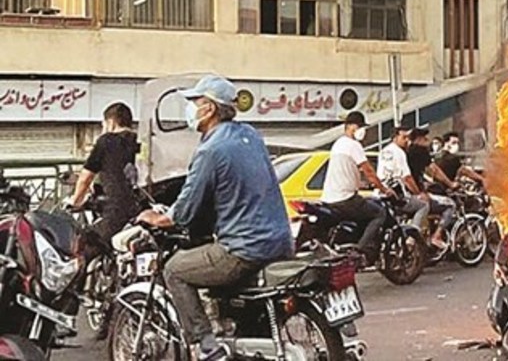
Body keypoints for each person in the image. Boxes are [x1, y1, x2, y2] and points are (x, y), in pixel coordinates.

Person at [135, 75, 293, 361]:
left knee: (174, 270)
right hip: (281, 240)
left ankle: (207, 347)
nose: (190, 109)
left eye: (194, 102)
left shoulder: (211, 150)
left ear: (208, 108)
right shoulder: (251, 135)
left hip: (244, 248)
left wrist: (157, 218)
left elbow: (183, 212)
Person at [321, 111, 396, 264]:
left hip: (329, 198)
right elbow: (369, 171)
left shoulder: (338, 144)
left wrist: (360, 184)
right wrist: (384, 189)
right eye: (360, 126)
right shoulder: (353, 145)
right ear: (351, 127)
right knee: (379, 213)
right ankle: (359, 250)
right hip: (345, 198)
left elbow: (346, 171)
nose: (363, 131)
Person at [69, 102, 139, 243]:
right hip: (139, 208)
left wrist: (75, 201)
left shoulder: (106, 141)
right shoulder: (138, 141)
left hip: (115, 210)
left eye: (103, 125)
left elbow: (85, 178)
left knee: (88, 242)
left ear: (110, 122)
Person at [407, 128, 457, 249]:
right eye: (425, 139)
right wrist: (450, 184)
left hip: (404, 193)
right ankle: (437, 236)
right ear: (418, 139)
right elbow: (434, 169)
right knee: (450, 205)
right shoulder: (420, 151)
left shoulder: (405, 151)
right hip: (414, 194)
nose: (427, 141)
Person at [378, 128, 430, 229]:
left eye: (408, 137)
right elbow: (407, 178)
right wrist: (418, 193)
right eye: (404, 137)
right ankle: (413, 234)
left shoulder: (383, 151)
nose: (407, 140)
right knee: (423, 205)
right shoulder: (399, 153)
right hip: (396, 195)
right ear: (395, 138)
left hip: (381, 192)